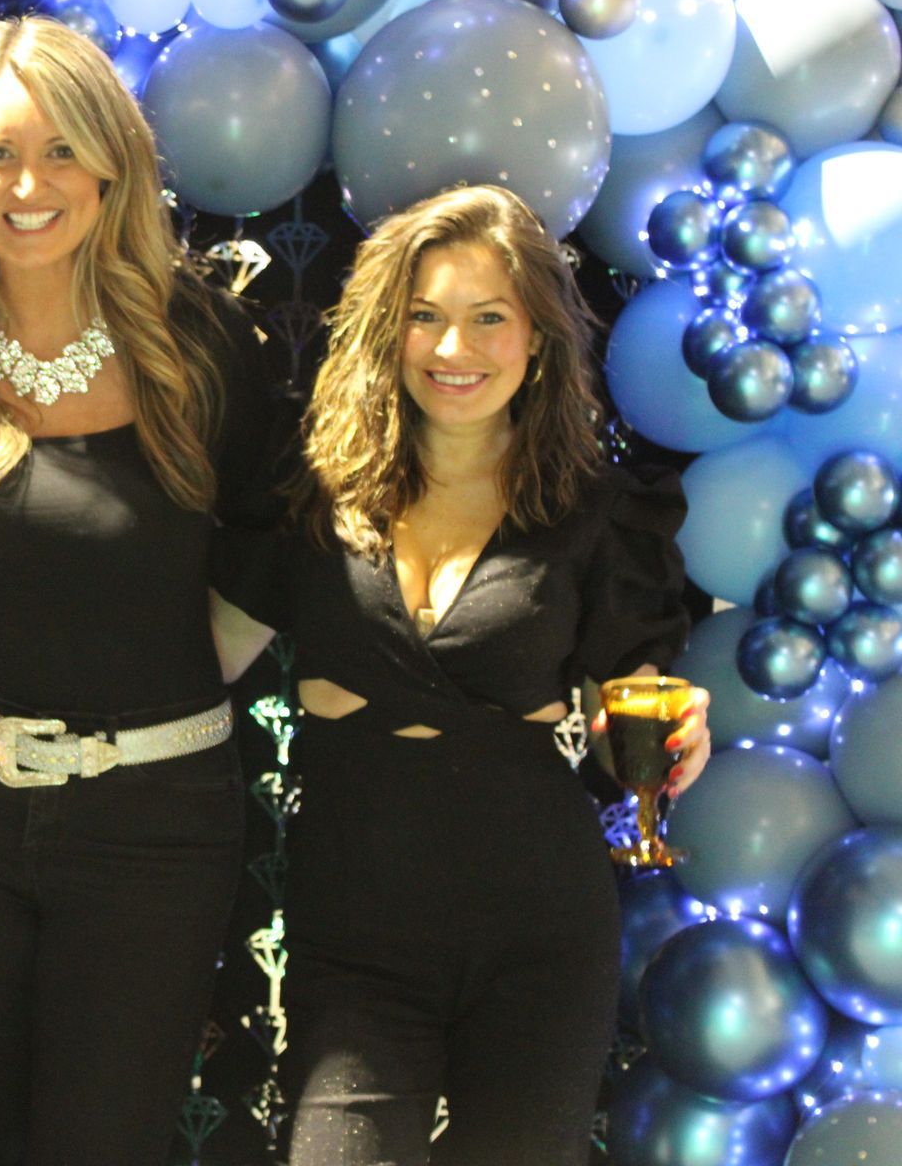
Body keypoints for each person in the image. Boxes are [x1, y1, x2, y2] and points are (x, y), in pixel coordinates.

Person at [0, 15, 284, 1165]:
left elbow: (282, 531)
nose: (26, 185)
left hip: (155, 826)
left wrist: (182, 662)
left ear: (112, 166)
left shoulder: (202, 341)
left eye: (60, 152)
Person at [210, 184, 712, 1165]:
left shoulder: (598, 513)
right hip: (353, 923)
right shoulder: (311, 493)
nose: (455, 349)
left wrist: (673, 739)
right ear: (389, 330)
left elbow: (628, 720)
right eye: (427, 316)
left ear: (537, 338)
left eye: (489, 317)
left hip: (540, 920)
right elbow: (192, 672)